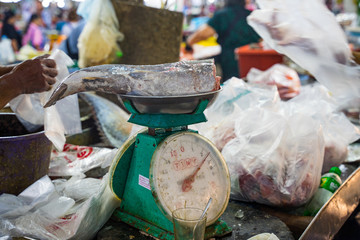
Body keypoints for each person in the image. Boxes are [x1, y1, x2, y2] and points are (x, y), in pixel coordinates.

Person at [186, 0, 260, 82]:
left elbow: (204, 33)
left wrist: (189, 43)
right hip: (252, 62)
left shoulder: (222, 15)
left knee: (232, 87)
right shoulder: (252, 16)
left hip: (231, 61)